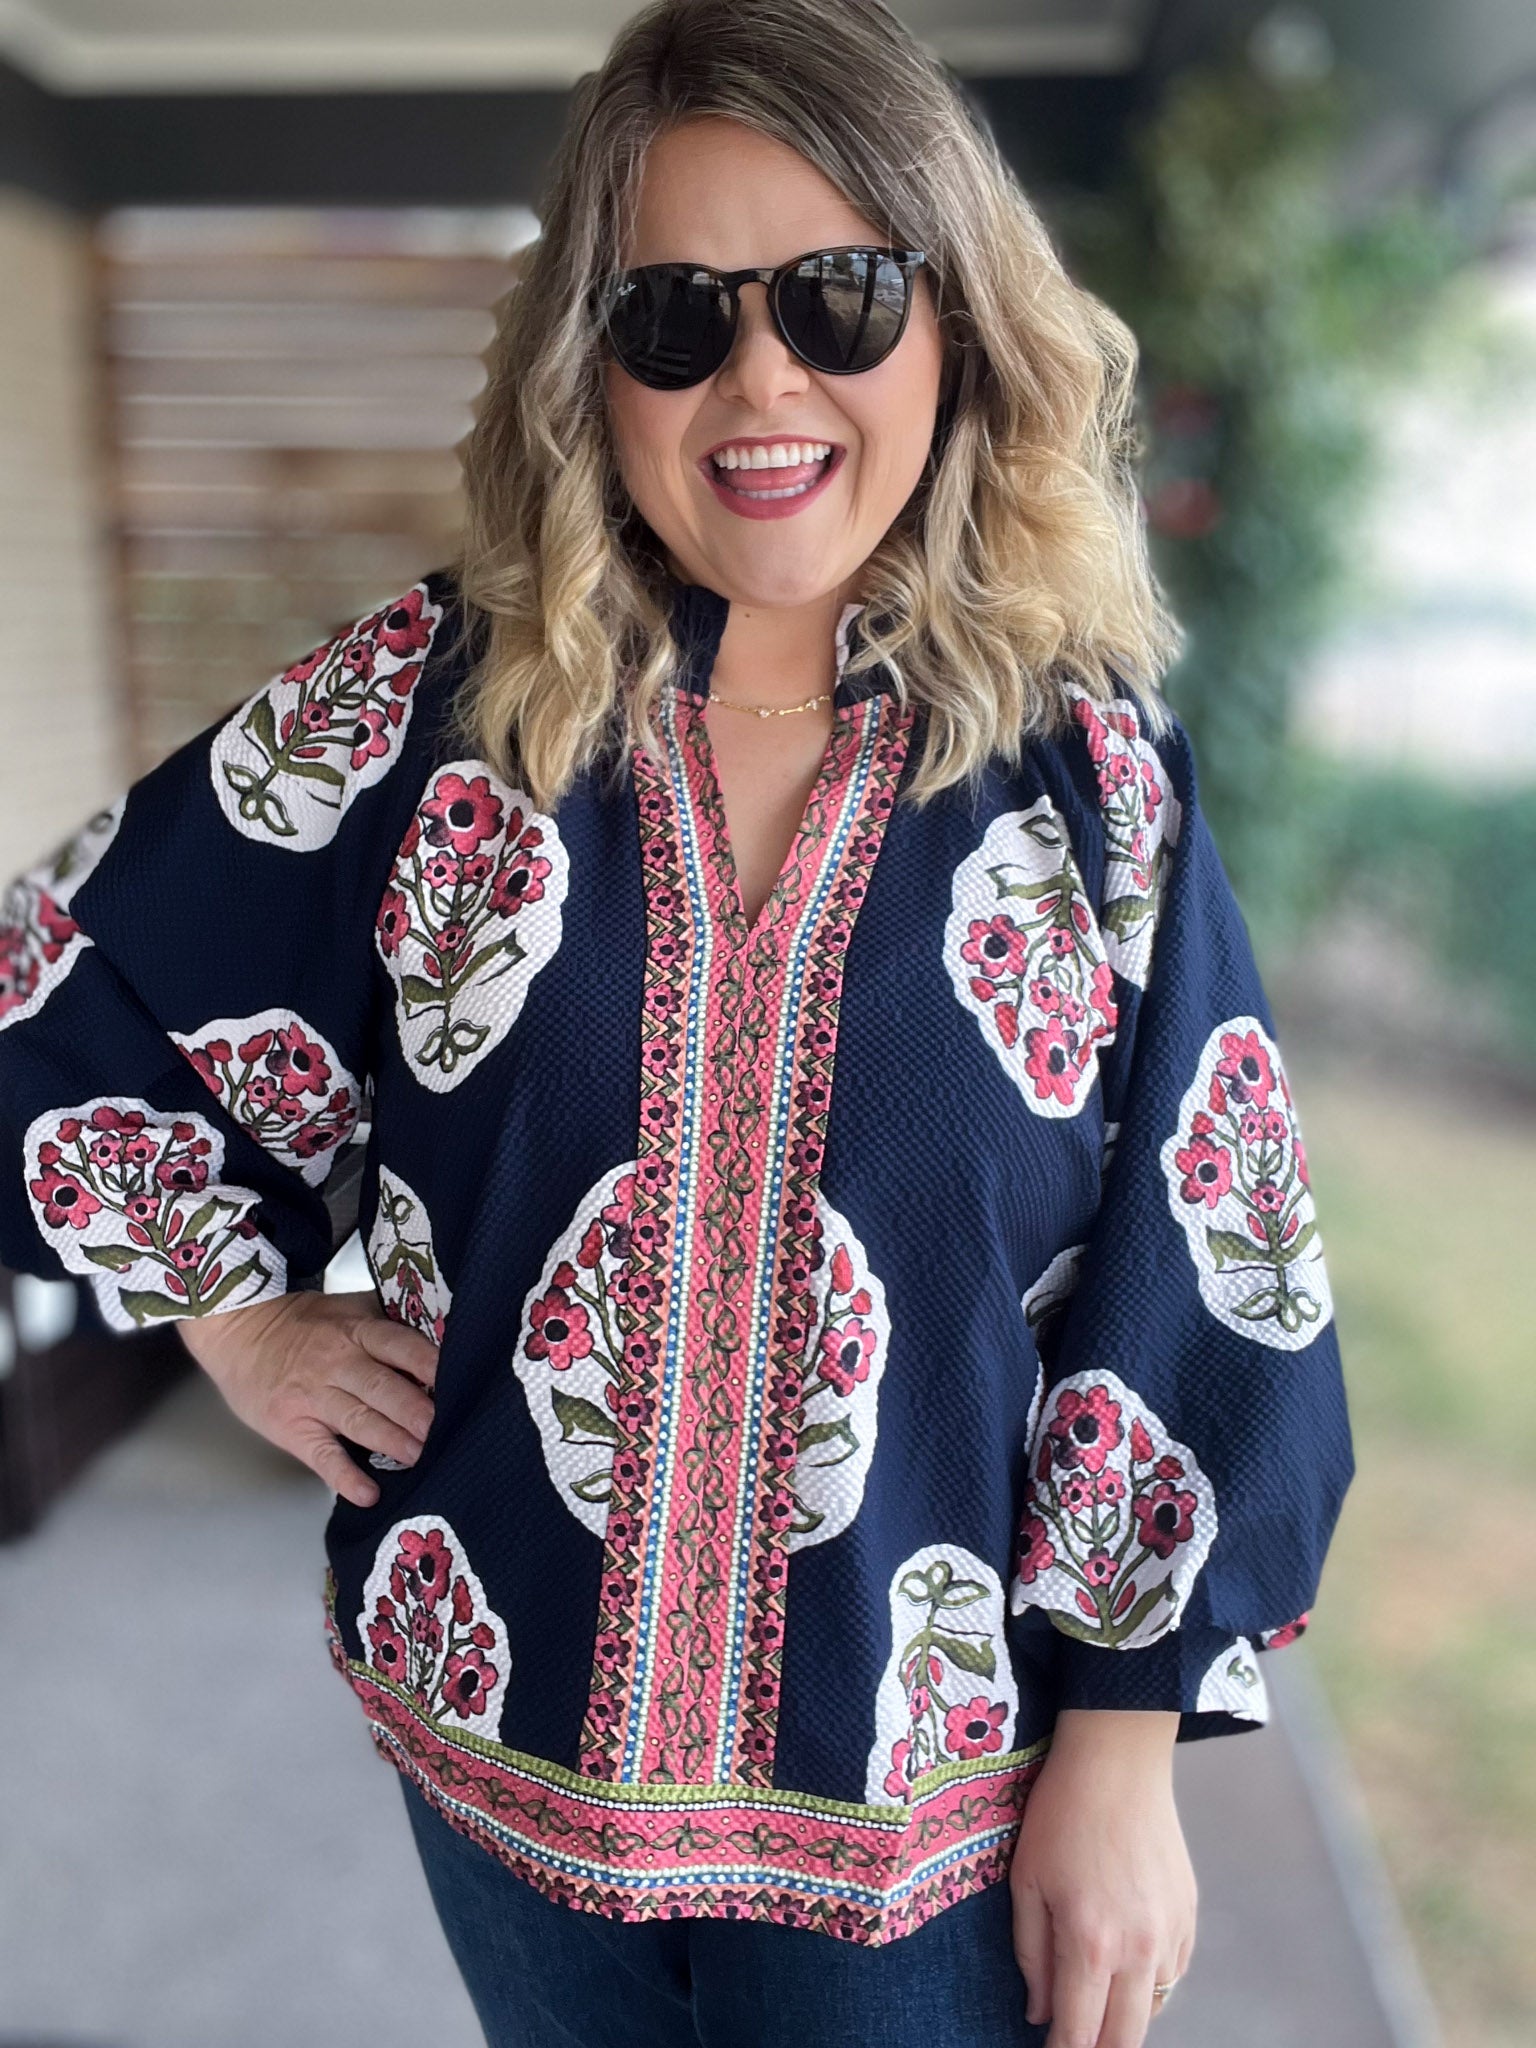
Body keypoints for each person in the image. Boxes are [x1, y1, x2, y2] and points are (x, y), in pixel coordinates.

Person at [0, 3, 1355, 2045]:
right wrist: (236, 1316)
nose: (762, 377)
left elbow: (1209, 1270)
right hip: (503, 1776)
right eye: (676, 316)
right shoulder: (432, 718)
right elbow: (78, 983)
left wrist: (1123, 1752)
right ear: (591, 367)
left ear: (956, 320)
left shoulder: (1092, 787)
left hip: (928, 1827)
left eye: (840, 295)